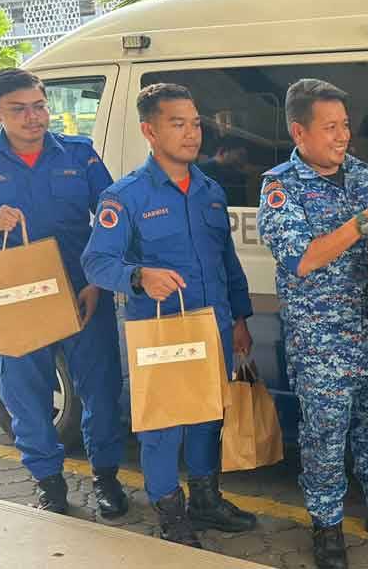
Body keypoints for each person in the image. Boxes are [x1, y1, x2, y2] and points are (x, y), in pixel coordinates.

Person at [257, 78, 368, 569]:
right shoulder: (279, 187)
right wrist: (363, 223)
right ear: (299, 131)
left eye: (346, 125)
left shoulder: (361, 174)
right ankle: (327, 523)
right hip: (323, 343)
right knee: (325, 437)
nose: (342, 136)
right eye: (329, 127)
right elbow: (303, 259)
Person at [80, 83, 258, 548]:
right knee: (162, 424)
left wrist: (239, 318)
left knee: (208, 416)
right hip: (160, 332)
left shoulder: (210, 191)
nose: (191, 133)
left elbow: (227, 262)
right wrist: (139, 277)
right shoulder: (126, 197)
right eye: (177, 124)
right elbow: (97, 262)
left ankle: (205, 499)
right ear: (149, 131)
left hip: (213, 326)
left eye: (195, 123)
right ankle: (170, 511)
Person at [0, 68, 127, 518]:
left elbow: (111, 221)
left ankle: (106, 478)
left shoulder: (79, 153)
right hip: (18, 295)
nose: (33, 118)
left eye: (39, 106)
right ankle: (49, 483)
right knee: (25, 393)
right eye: (19, 109)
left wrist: (95, 284)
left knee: (101, 389)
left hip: (81, 290)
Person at [197, 136, 249, 205]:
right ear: (223, 152)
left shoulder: (237, 176)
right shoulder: (200, 171)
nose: (241, 160)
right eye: (240, 155)